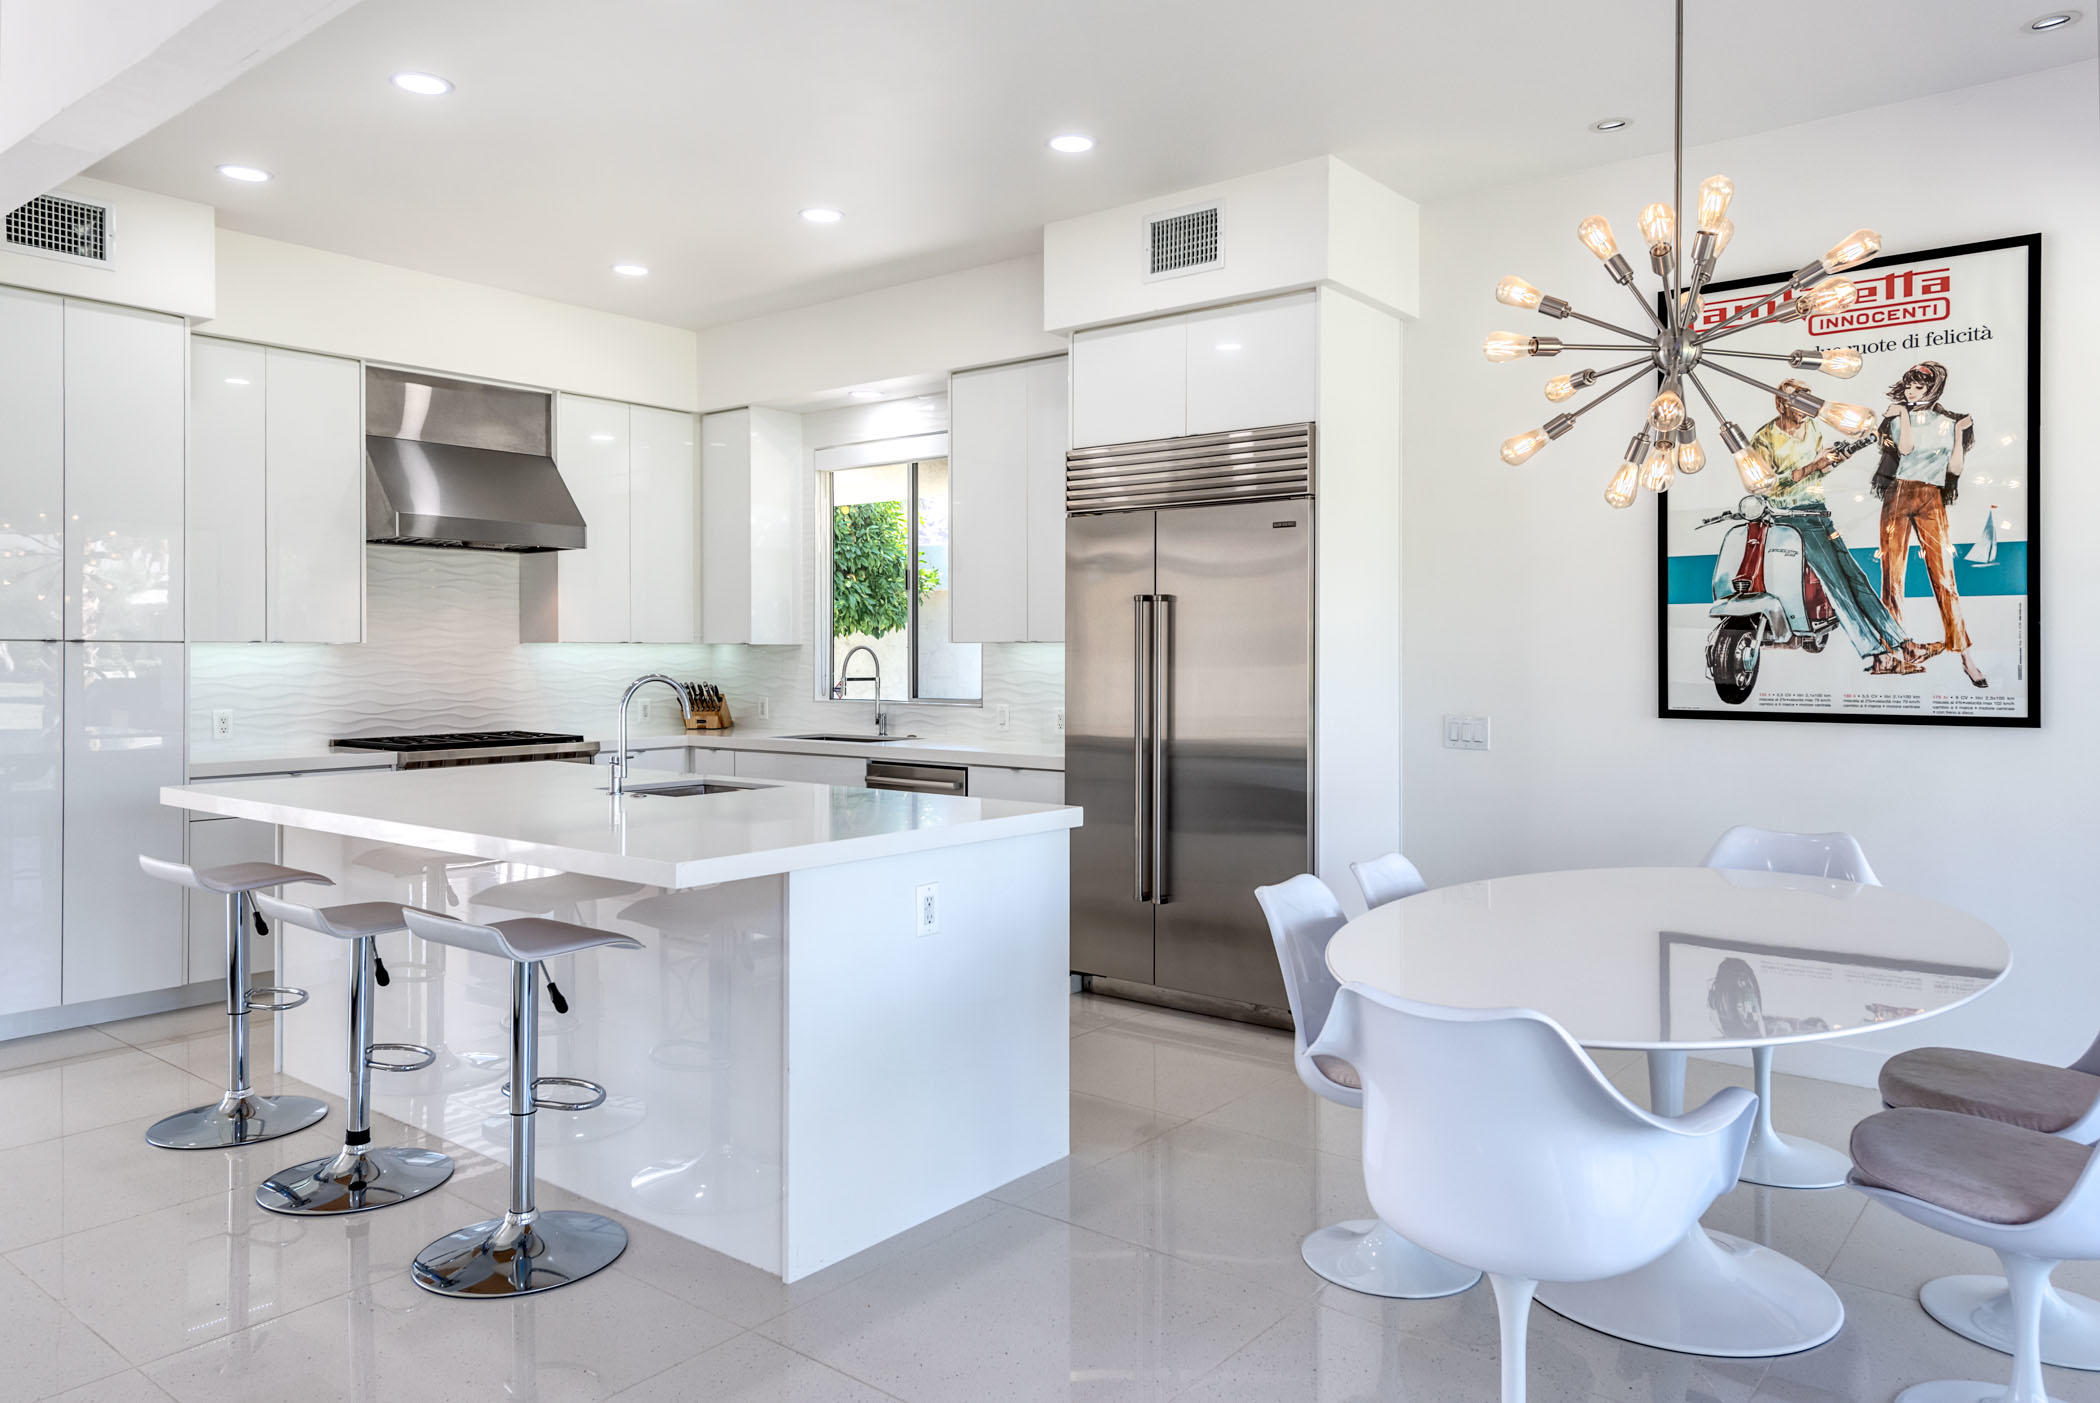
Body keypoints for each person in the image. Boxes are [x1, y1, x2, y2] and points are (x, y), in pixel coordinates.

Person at [1750, 380, 1916, 674]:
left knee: (1857, 579)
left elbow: (1817, 473)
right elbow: (1768, 487)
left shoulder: (1812, 429)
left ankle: (1900, 641)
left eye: (1807, 403)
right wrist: (1815, 465)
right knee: (1837, 586)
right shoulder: (1763, 438)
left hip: (1819, 512)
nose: (1805, 410)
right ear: (1780, 404)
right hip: (1792, 519)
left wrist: (1836, 459)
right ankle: (1875, 653)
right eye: (1797, 404)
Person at [1873, 361, 1984, 687]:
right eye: (1908, 386)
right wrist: (1904, 413)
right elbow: (1905, 449)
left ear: (1933, 389)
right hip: (1898, 493)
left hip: (1930, 497)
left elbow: (1955, 468)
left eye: (1918, 387)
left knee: (1945, 577)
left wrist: (1961, 433)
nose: (1911, 392)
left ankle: (1964, 654)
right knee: (1892, 576)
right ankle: (1891, 649)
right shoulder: (1895, 419)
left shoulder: (1950, 421)